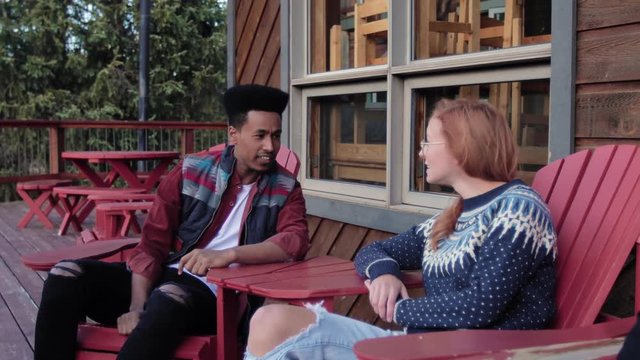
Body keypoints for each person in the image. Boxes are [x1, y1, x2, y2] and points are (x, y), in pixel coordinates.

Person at [244, 98, 558, 359]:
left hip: (471, 354)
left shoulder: (517, 210)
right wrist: (383, 274)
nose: (421, 152)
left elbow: (480, 305)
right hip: (420, 348)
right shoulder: (453, 216)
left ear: (462, 146)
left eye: (428, 141)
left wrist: (400, 309)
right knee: (270, 320)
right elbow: (375, 250)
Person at [34, 84, 309, 360]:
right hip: (160, 281)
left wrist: (228, 255)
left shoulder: (285, 187)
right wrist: (137, 307)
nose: (270, 146)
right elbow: (152, 244)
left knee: (168, 297)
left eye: (276, 136)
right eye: (260, 135)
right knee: (64, 276)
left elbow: (294, 240)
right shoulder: (191, 172)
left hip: (217, 298)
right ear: (233, 135)